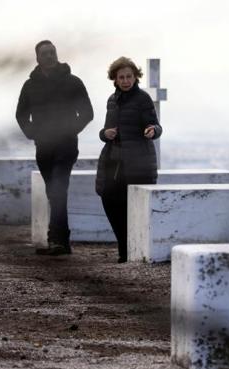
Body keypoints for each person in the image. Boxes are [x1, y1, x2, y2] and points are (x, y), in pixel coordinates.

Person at [16, 40, 94, 255]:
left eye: (53, 52)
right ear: (38, 58)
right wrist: (34, 133)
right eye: (45, 53)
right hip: (43, 148)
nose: (50, 56)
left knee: (58, 189)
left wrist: (70, 131)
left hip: (66, 146)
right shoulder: (30, 85)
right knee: (54, 192)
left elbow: (87, 112)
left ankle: (55, 240)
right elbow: (21, 114)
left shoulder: (73, 82)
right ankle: (63, 241)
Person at [95, 57, 162, 263]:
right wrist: (105, 134)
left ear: (135, 77)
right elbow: (105, 131)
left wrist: (152, 131)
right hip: (113, 162)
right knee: (108, 200)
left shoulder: (142, 99)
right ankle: (124, 247)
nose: (125, 81)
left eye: (129, 76)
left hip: (138, 162)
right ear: (114, 79)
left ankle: (128, 252)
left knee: (131, 207)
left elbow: (156, 125)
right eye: (121, 77)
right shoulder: (112, 100)